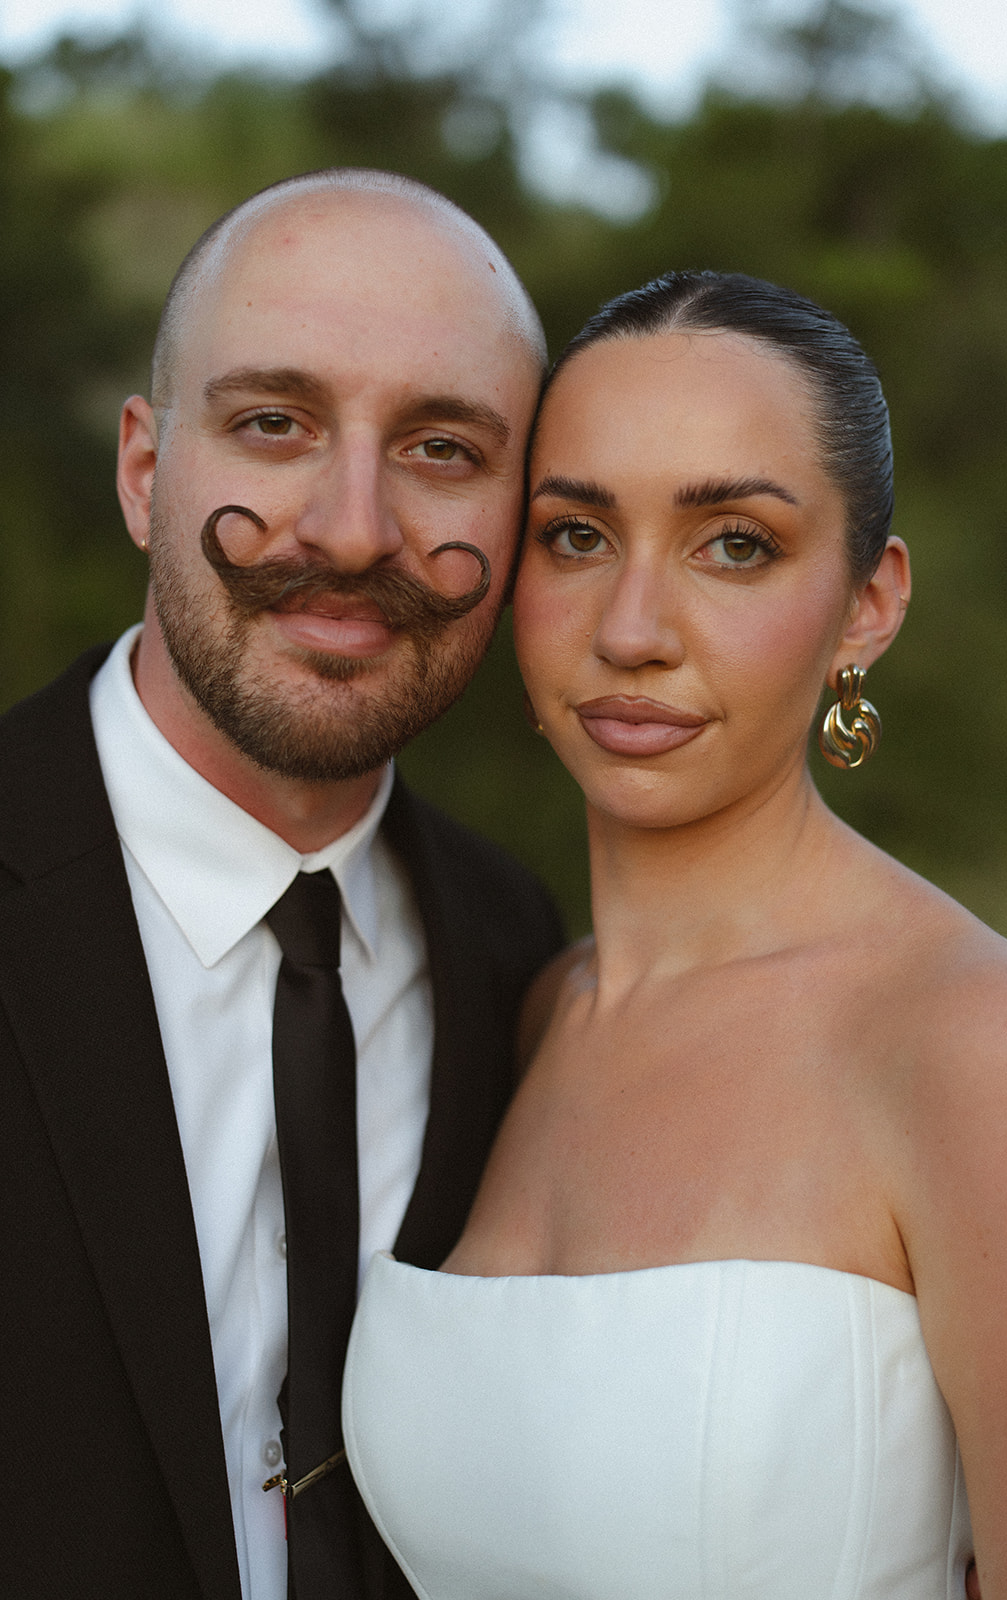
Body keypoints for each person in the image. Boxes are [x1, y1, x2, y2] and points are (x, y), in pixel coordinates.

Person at [342, 271, 1007, 1599]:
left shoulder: (989, 1050)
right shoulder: (527, 1009)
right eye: (575, 537)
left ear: (868, 603)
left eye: (734, 543)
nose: (632, 631)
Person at [0, 168, 564, 1600]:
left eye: (443, 447)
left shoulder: (524, 959)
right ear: (144, 470)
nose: (354, 526)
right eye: (274, 423)